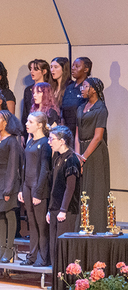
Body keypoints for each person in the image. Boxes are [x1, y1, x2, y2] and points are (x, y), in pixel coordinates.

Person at [0, 110, 24, 263]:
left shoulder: (12, 141)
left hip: (9, 181)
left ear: (5, 123)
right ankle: (1, 248)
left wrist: (8, 189)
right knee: (0, 215)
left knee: (8, 214)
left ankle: (9, 249)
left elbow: (13, 166)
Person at [77, 75, 109, 232]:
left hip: (94, 153)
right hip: (81, 152)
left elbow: (98, 137)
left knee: (94, 189)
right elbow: (77, 133)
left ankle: (96, 226)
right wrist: (77, 156)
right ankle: (82, 224)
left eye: (85, 86)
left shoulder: (101, 109)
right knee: (83, 188)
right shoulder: (80, 107)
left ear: (94, 90)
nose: (81, 89)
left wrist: (83, 157)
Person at [20, 112, 52, 267]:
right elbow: (25, 167)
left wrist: (38, 192)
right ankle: (32, 255)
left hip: (38, 189)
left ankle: (43, 257)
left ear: (39, 124)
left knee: (41, 224)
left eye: (30, 121)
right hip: (27, 186)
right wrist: (22, 189)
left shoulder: (45, 143)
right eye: (27, 120)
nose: (26, 123)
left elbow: (45, 170)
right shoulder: (30, 141)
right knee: (31, 223)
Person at [47, 125, 81, 259]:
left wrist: (63, 210)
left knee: (63, 248)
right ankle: (56, 277)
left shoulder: (71, 159)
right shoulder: (57, 158)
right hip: (56, 208)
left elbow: (70, 187)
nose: (49, 142)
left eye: (51, 139)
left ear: (62, 141)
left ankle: (64, 278)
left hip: (65, 210)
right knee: (54, 246)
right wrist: (50, 209)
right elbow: (55, 186)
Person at [63, 56, 91, 137]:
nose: (73, 68)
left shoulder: (89, 87)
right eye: (73, 66)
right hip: (68, 131)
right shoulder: (69, 87)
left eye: (77, 66)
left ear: (86, 69)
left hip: (82, 132)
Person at [21, 59, 54, 126]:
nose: (32, 71)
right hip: (29, 127)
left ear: (44, 71)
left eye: (35, 69)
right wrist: (22, 133)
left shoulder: (49, 89)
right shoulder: (28, 90)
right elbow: (25, 112)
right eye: (31, 69)